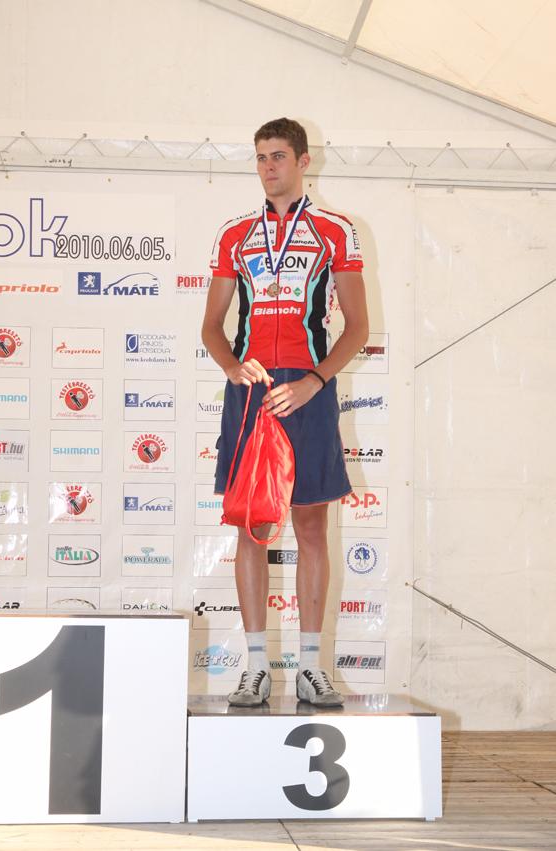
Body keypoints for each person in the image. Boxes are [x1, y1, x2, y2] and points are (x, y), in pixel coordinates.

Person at [202, 117, 369, 707]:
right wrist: (231, 367)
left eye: (278, 156)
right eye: (260, 157)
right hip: (252, 393)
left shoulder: (335, 231)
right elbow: (211, 326)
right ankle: (254, 667)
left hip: (308, 391)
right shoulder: (234, 234)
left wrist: (315, 381)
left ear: (303, 161)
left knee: (312, 527)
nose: (268, 167)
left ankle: (310, 667)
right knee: (251, 523)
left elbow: (358, 327)